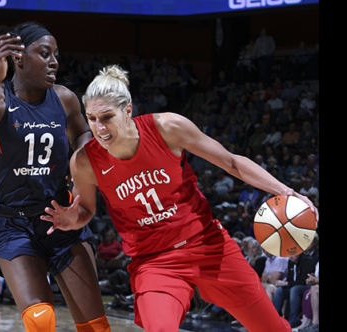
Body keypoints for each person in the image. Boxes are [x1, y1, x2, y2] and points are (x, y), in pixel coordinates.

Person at [42, 65, 318, 332]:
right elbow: (86, 211)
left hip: (207, 245)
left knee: (271, 328)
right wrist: (72, 219)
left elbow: (232, 163)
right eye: (91, 118)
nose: (98, 127)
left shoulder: (167, 127)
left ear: (127, 111)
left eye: (106, 117)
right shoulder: (84, 161)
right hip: (154, 262)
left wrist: (285, 191)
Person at [0, 22, 110, 332]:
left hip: (60, 216)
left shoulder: (65, 98)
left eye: (56, 55)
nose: (54, 62)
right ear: (18, 58)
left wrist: (83, 159)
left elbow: (82, 135)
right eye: (45, 54)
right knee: (40, 320)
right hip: (11, 223)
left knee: (97, 327)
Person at [272, 252, 316, 328]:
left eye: (292, 254)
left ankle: (293, 321)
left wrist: (286, 283)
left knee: (294, 290)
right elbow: (290, 278)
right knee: (279, 290)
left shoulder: (307, 260)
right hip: (293, 286)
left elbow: (304, 281)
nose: (290, 257)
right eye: (289, 254)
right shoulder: (291, 262)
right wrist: (283, 284)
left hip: (306, 286)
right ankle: (274, 320)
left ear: (299, 252)